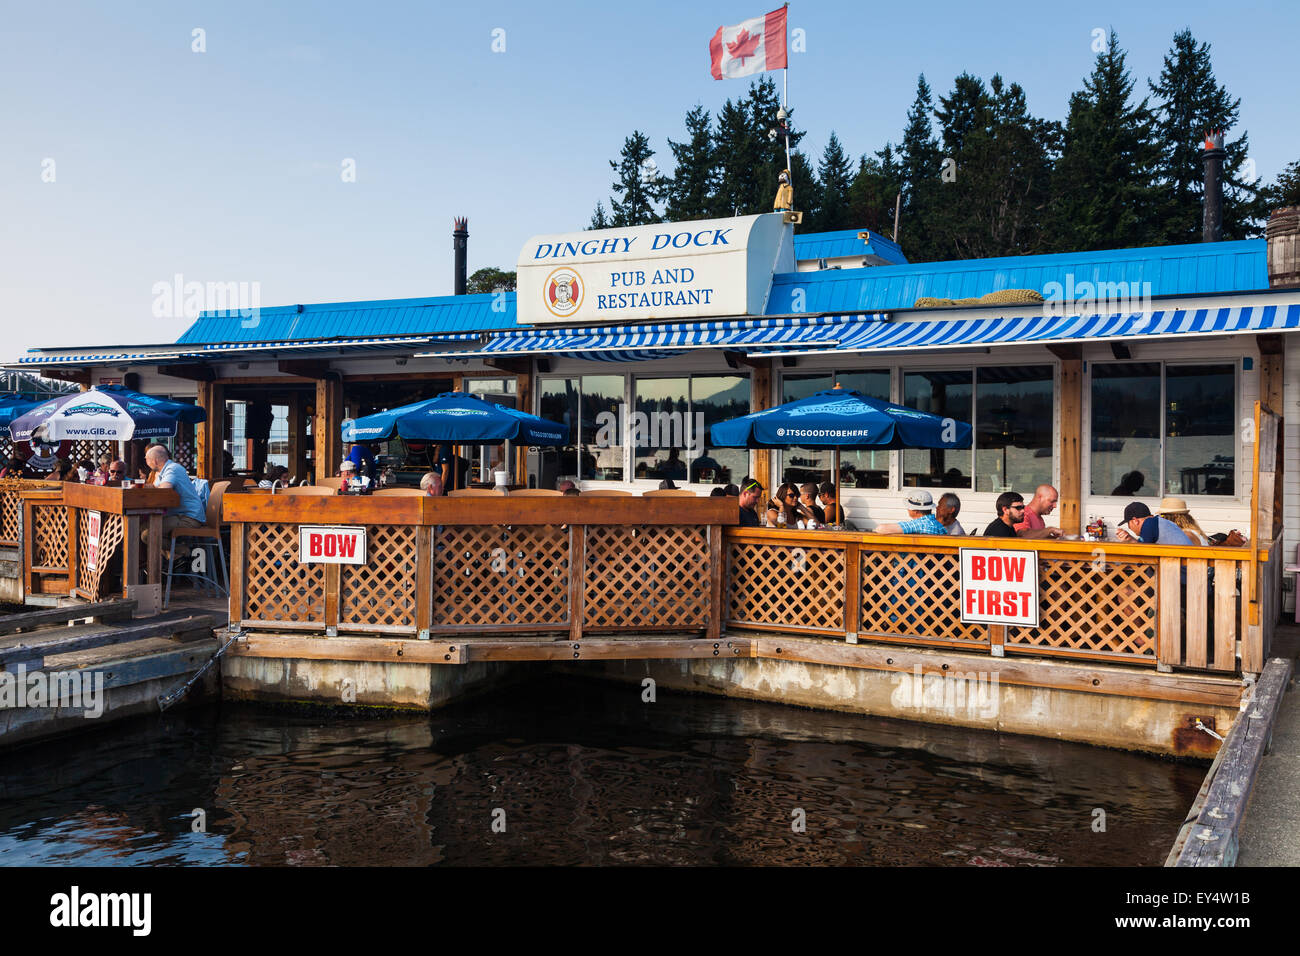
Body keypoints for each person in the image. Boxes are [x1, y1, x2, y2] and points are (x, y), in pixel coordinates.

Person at [144, 443, 206, 542]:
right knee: (142, 527)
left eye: (146, 460)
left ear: (154, 461)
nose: (146, 463)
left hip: (189, 518)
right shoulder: (163, 471)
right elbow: (156, 487)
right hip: (179, 515)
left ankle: (181, 552)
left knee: (148, 534)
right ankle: (173, 555)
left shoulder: (172, 469)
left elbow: (165, 490)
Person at [1116, 501, 1192, 545]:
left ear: (1135, 521)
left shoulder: (1149, 524)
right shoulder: (1155, 522)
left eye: (1128, 524)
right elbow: (1144, 548)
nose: (1129, 528)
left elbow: (1142, 560)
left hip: (1181, 570)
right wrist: (1131, 540)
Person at [873, 490, 947, 535]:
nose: (907, 509)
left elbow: (881, 528)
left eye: (908, 507)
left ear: (915, 511)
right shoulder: (940, 527)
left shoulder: (918, 524)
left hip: (911, 561)